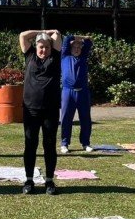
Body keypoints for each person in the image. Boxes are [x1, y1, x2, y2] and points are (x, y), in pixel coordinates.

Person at [19, 29, 62, 195]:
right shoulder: (29, 56)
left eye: (46, 47)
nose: (44, 50)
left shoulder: (55, 57)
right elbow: (23, 35)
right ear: (35, 47)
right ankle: (29, 180)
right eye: (41, 47)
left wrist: (51, 34)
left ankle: (49, 181)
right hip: (31, 109)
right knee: (30, 144)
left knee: (49, 145)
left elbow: (57, 34)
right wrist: (43, 31)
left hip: (50, 110)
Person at [60, 35, 93, 154]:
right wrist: (81, 37)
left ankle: (85, 143)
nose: (77, 48)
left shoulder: (83, 56)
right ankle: (64, 143)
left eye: (79, 46)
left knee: (85, 118)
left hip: (83, 92)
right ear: (70, 47)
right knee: (66, 118)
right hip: (68, 92)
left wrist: (85, 39)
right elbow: (67, 38)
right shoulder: (65, 56)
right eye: (75, 46)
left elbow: (88, 42)